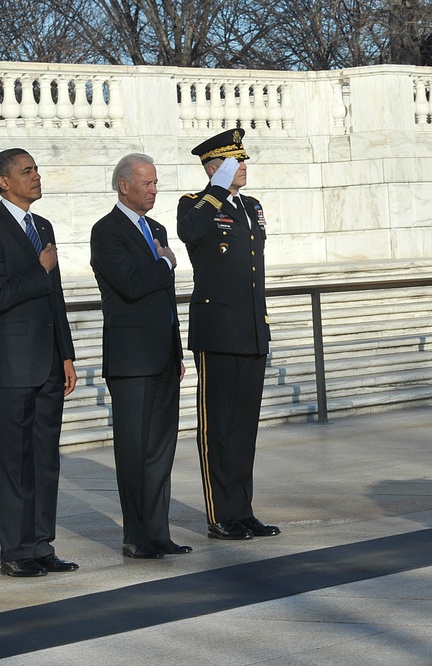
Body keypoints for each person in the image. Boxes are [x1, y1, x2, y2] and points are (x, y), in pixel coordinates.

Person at [0, 148, 79, 577]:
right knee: (14, 460)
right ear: (3, 181)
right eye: (26, 171)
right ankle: (14, 551)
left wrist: (66, 353)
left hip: (50, 361)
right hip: (11, 363)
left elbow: (57, 298)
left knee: (46, 458)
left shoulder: (43, 226)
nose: (36, 176)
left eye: (36, 169)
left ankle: (40, 546)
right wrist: (39, 268)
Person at [177, 128, 280, 541]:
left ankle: (242, 510)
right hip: (217, 332)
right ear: (214, 168)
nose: (245, 167)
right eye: (236, 162)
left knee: (243, 428)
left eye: (244, 160)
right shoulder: (195, 204)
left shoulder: (251, 206)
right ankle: (220, 514)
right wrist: (216, 188)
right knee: (217, 428)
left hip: (252, 329)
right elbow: (191, 233)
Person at [90, 153, 191, 559]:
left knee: (161, 449)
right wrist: (164, 262)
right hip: (131, 359)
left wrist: (177, 349)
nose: (153, 190)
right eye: (146, 183)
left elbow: (165, 299)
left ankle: (159, 532)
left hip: (163, 354)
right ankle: (136, 535)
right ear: (124, 185)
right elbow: (131, 284)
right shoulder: (107, 231)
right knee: (134, 450)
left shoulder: (157, 227)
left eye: (155, 183)